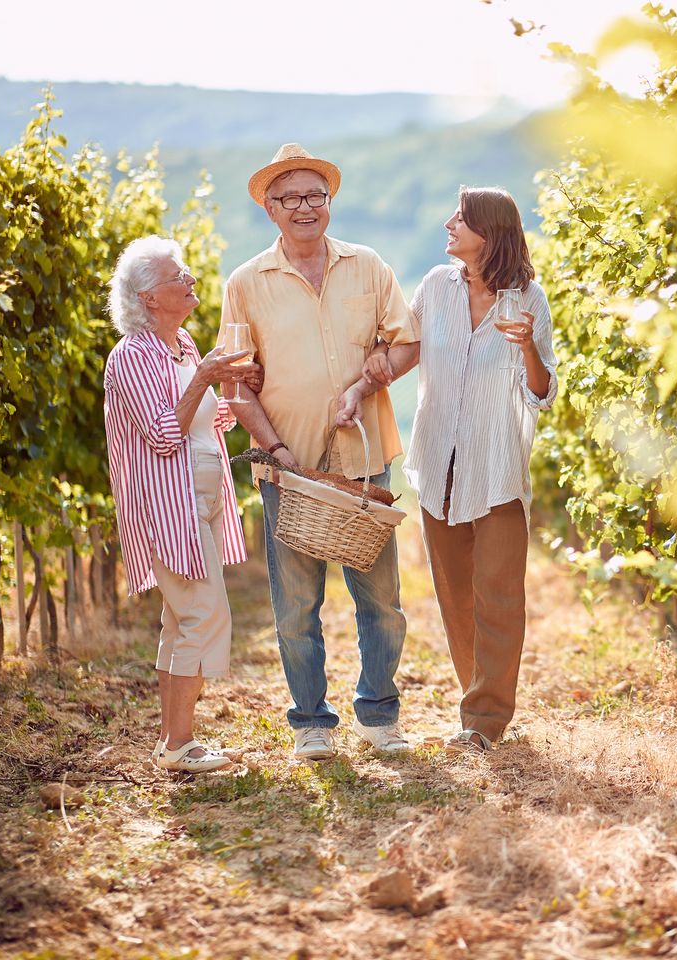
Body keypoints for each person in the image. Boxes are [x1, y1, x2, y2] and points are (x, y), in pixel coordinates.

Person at [338, 186, 557, 753]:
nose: (448, 223)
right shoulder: (435, 287)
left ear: (490, 231)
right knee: (457, 597)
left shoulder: (527, 300)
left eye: (460, 218)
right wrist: (364, 382)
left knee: (499, 594)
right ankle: (475, 712)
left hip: (498, 469)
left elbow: (543, 392)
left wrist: (529, 346)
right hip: (440, 465)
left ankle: (485, 721)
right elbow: (406, 353)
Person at [221, 144, 420, 761]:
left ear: (329, 202)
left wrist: (364, 385)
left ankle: (379, 714)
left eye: (316, 195)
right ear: (270, 210)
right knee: (295, 607)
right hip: (289, 470)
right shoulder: (246, 283)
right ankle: (311, 721)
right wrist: (274, 451)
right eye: (291, 198)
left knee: (381, 600)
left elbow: (406, 344)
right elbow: (236, 381)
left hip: (363, 464)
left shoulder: (369, 266)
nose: (306, 207)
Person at [103, 236, 260, 773]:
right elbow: (164, 432)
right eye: (178, 276)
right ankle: (181, 744)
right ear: (149, 297)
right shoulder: (132, 356)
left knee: (180, 619)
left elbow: (207, 423)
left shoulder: (185, 345)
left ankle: (174, 742)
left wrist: (231, 386)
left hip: (203, 496)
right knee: (202, 612)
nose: (190, 279)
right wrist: (206, 379)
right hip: (168, 504)